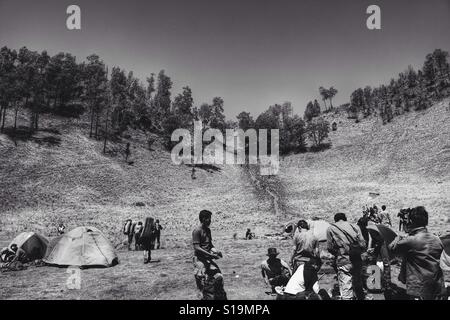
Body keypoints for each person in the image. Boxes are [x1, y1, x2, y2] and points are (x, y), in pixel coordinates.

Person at [388, 206, 445, 300]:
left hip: (419, 288)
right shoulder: (437, 240)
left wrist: (399, 236)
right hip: (436, 286)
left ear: (411, 221)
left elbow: (392, 249)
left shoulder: (410, 241)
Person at [326, 213, 366, 300]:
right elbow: (363, 244)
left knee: (346, 288)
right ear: (345, 218)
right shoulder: (355, 226)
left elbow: (329, 247)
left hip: (343, 260)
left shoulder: (331, 228)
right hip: (357, 259)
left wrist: (338, 252)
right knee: (358, 284)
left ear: (335, 220)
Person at [192, 210, 226, 300]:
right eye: (209, 219)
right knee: (202, 284)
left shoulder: (208, 230)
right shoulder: (197, 231)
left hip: (208, 260)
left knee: (218, 277)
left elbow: (210, 245)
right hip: (200, 260)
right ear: (204, 219)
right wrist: (210, 255)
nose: (210, 221)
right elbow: (197, 247)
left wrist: (216, 251)